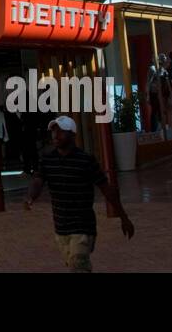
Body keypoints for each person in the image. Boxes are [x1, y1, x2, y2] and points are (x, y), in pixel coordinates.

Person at [24, 116, 134, 271]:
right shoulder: (47, 160)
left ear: (73, 135)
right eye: (54, 130)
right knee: (75, 266)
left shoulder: (86, 160)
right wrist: (31, 196)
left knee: (78, 267)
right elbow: (38, 181)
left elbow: (107, 189)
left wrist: (124, 217)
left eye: (61, 131)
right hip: (61, 229)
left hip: (83, 228)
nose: (56, 134)